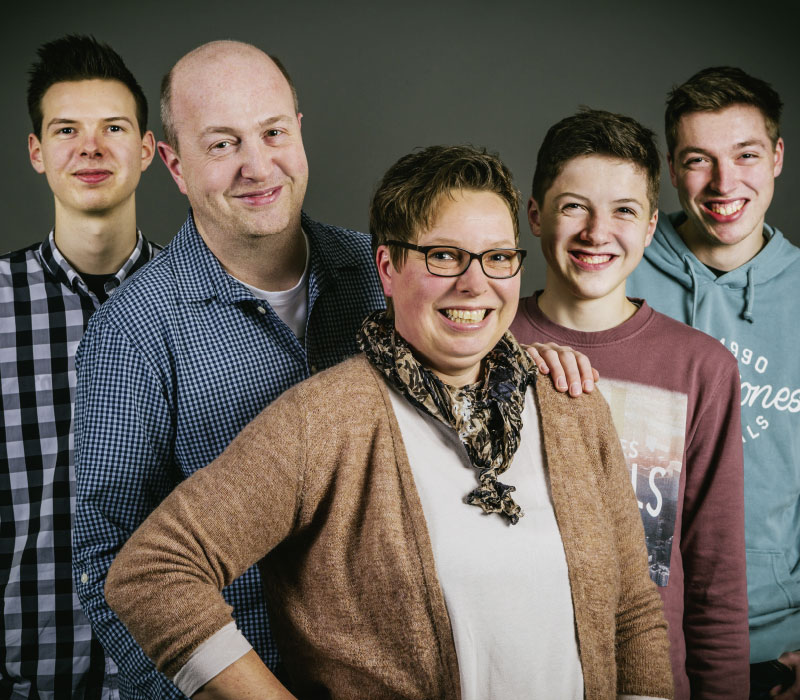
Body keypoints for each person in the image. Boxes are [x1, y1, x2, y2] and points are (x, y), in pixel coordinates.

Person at [102, 144, 673, 699]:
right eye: (444, 256)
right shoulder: (324, 420)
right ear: (388, 267)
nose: (475, 283)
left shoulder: (572, 404)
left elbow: (632, 606)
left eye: (498, 257)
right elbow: (154, 572)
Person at [71, 40, 386, 698]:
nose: (257, 165)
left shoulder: (384, 278)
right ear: (174, 164)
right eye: (221, 145)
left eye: (272, 132)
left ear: (298, 132)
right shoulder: (132, 331)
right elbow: (109, 567)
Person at [510, 108, 749, 698]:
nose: (597, 232)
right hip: (510, 673)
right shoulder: (483, 345)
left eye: (623, 211)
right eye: (573, 207)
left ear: (648, 229)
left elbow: (716, 576)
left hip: (646, 681)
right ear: (536, 216)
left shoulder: (700, 367)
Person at [625, 67, 800, 700]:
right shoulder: (613, 267)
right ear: (672, 168)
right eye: (700, 160)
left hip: (773, 645)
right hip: (631, 631)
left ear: (777, 157)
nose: (725, 184)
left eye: (746, 155)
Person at [0, 35, 158, 697]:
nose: (90, 149)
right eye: (67, 130)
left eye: (112, 129)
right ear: (38, 153)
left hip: (168, 678)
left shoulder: (199, 304)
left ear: (147, 151)